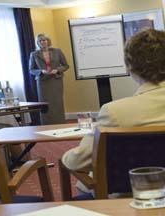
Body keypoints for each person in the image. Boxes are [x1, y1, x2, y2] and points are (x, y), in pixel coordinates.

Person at [62, 29, 165, 192]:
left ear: (131, 67)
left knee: (83, 185)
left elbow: (77, 162)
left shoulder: (115, 112)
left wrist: (65, 157)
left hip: (130, 197)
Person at [29, 33, 69, 125]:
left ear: (48, 41)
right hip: (43, 82)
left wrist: (57, 70)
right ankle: (46, 124)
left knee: (57, 102)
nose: (43, 42)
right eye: (40, 41)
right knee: (45, 104)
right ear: (38, 43)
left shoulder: (57, 51)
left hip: (56, 80)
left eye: (44, 40)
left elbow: (66, 65)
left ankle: (60, 123)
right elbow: (31, 70)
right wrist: (41, 71)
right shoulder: (34, 54)